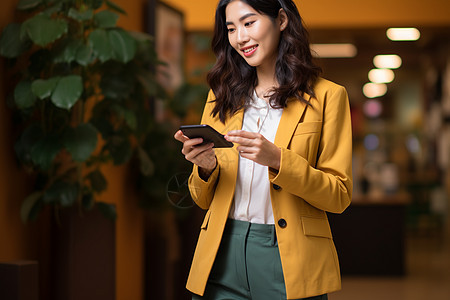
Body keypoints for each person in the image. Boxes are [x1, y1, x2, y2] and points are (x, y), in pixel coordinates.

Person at [174, 0, 352, 299]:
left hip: (288, 258)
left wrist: (279, 160)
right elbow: (201, 199)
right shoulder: (220, 98)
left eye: (249, 22)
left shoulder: (328, 97)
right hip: (221, 252)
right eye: (231, 28)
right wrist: (205, 167)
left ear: (281, 19)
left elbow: (339, 195)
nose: (240, 37)